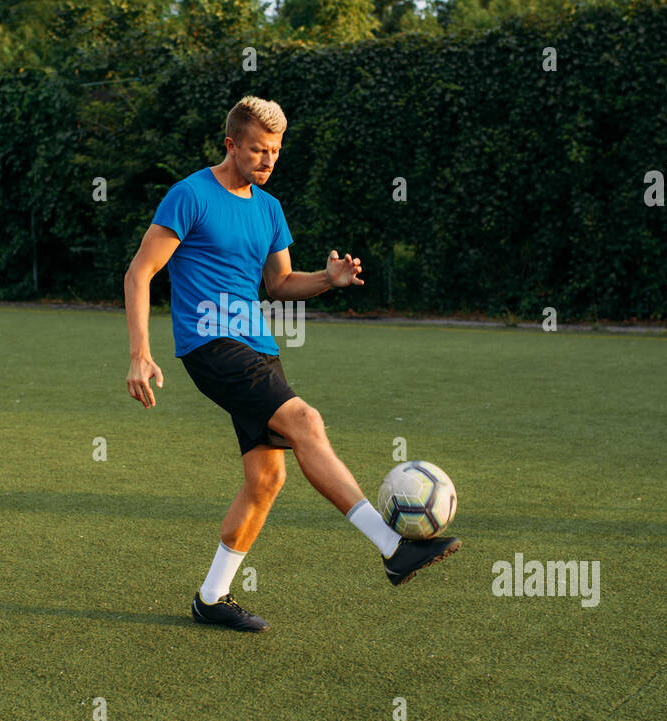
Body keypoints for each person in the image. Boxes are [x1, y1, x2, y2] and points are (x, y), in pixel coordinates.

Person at [123, 96, 459, 632]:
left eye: (275, 151)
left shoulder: (269, 208)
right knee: (306, 422)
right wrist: (140, 352)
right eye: (257, 149)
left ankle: (211, 598)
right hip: (209, 345)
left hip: (259, 347)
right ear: (230, 143)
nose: (267, 160)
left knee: (266, 479)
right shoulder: (189, 196)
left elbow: (279, 284)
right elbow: (140, 272)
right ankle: (394, 548)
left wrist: (328, 279)